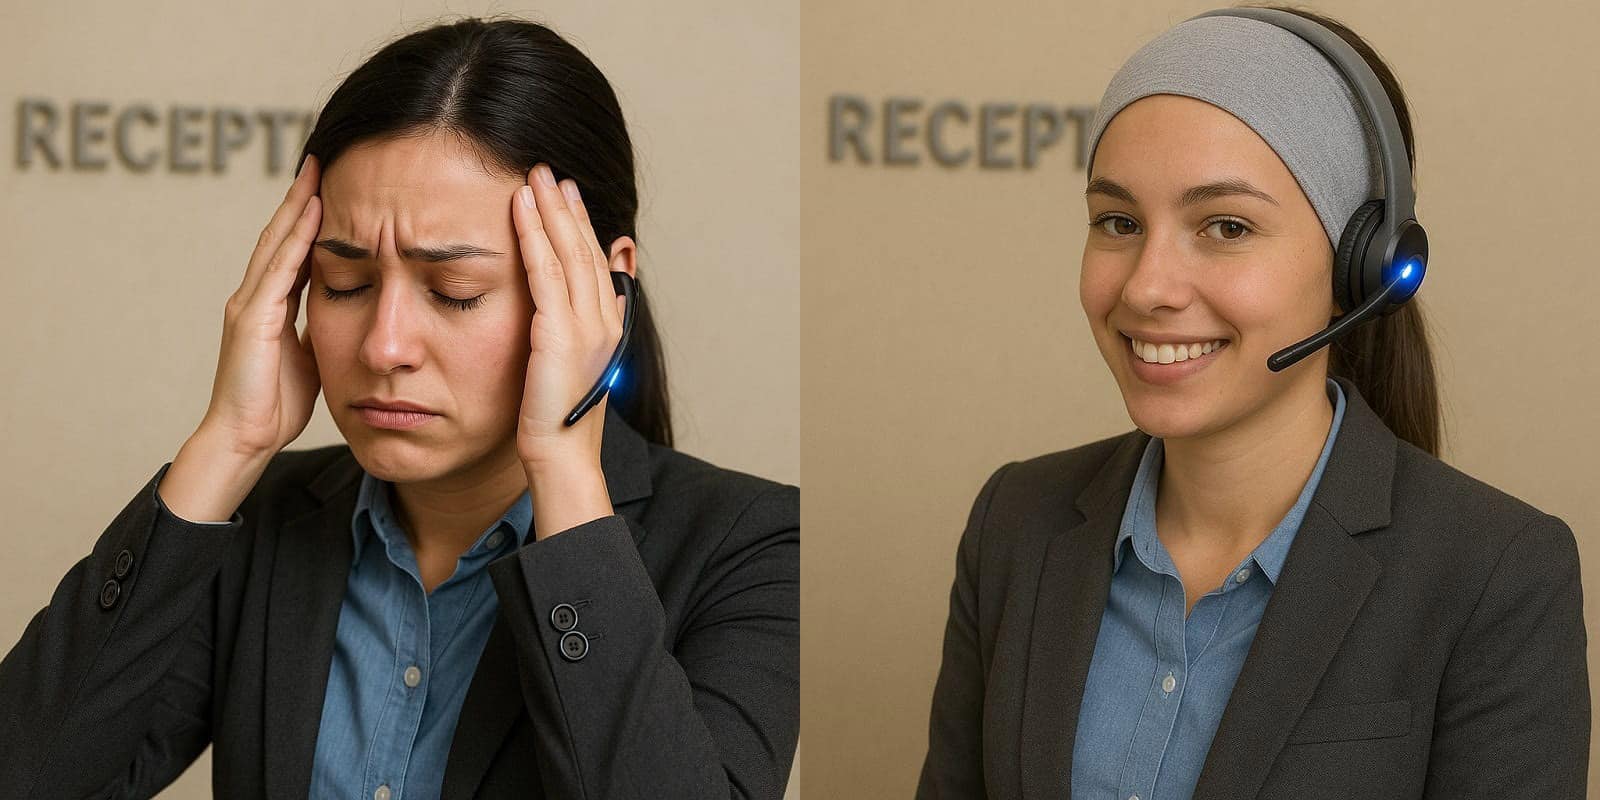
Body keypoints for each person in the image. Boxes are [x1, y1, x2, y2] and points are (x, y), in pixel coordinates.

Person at [0, 17, 798, 800]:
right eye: (343, 283)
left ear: (603, 289)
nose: (384, 346)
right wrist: (230, 444)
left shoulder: (755, 549)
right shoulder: (259, 527)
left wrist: (563, 467)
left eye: (456, 293)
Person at [916, 6, 1586, 799]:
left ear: (1359, 271)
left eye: (1226, 226)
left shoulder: (1495, 577)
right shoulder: (1015, 523)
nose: (1147, 287)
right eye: (1118, 221)